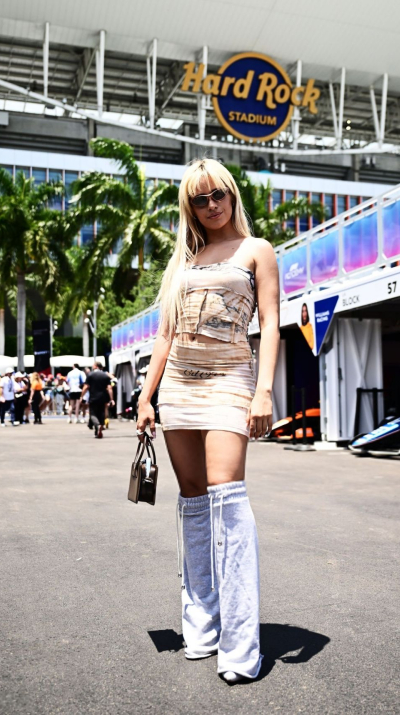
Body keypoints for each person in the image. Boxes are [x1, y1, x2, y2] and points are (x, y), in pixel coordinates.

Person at [136, 158, 279, 684]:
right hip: (178, 388)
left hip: (230, 385)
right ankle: (201, 628)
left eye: (218, 193)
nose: (211, 204)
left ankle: (241, 647)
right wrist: (146, 397)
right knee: (193, 504)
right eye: (200, 198)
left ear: (231, 193)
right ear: (189, 206)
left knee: (228, 503)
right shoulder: (185, 261)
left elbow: (270, 325)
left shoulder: (256, 251)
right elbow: (164, 337)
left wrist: (264, 390)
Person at [80, 361, 114, 439]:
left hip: (93, 398)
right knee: (101, 413)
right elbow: (109, 388)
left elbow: (86, 387)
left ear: (95, 366)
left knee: (93, 414)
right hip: (103, 398)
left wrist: (82, 396)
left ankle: (97, 426)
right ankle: (99, 429)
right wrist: (112, 399)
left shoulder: (90, 375)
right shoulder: (105, 376)